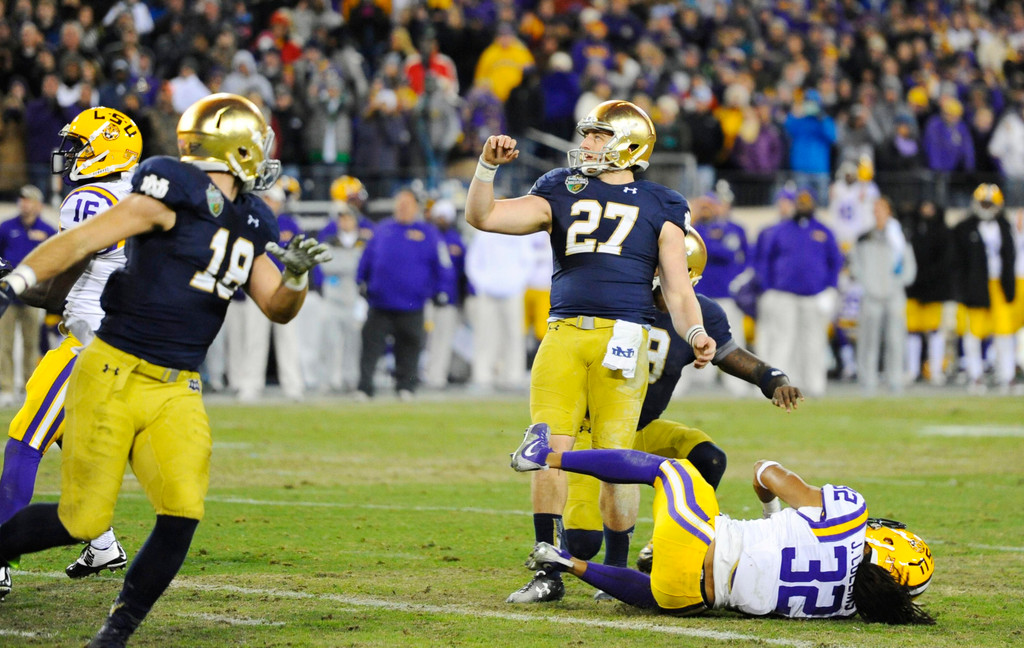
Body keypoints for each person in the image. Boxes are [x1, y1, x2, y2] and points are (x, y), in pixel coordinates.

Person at [0, 93, 330, 647]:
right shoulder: (168, 184)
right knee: (78, 520)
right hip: (112, 370)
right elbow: (82, 239)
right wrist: (15, 283)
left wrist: (296, 278)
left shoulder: (254, 217)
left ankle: (115, 633)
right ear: (239, 148)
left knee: (181, 510)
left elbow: (275, 306)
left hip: (177, 386)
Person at [464, 99, 715, 603]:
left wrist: (695, 333)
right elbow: (485, 216)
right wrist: (487, 167)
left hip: (626, 337)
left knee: (615, 457)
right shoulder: (560, 185)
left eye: (598, 136)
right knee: (545, 450)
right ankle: (546, 571)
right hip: (563, 334)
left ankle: (616, 574)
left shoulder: (663, 202)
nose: (586, 144)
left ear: (627, 143)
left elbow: (677, 286)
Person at [564, 230, 803, 598]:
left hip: (643, 426)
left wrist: (773, 379)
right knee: (582, 541)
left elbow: (731, 356)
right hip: (591, 429)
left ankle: (668, 545)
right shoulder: (615, 299)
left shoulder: (702, 312)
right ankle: (591, 565)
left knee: (708, 459)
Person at [510, 425, 935, 625]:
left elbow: (766, 471)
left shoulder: (850, 514)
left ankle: (542, 457)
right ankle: (567, 563)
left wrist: (775, 515)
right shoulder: (847, 610)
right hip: (690, 595)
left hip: (696, 534)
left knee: (668, 469)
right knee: (664, 598)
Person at [0, 107, 144, 601]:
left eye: (79, 145)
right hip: (122, 346)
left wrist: (10, 279)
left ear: (105, 149)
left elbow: (55, 295)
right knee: (68, 437)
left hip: (88, 344)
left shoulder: (89, 201)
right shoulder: (137, 194)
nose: (70, 154)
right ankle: (101, 543)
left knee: (24, 441)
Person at [356, 188, 452, 400]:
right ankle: (364, 387)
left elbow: (443, 264)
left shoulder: (428, 233)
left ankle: (406, 387)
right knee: (370, 346)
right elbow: (367, 259)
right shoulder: (382, 229)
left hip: (413, 304)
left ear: (416, 208)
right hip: (380, 302)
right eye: (400, 204)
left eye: (407, 204)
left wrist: (442, 290)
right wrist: (360, 281)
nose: (402, 208)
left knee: (410, 347)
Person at [754, 189, 843, 397]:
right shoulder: (781, 230)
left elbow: (836, 262)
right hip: (784, 295)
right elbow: (764, 260)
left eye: (806, 202)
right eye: (800, 203)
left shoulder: (824, 231)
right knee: (782, 342)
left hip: (814, 296)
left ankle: (815, 385)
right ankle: (775, 385)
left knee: (814, 342)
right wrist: (767, 287)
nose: (803, 206)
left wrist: (831, 287)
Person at [952, 183, 1017, 392]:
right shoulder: (965, 228)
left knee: (1004, 334)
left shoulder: (1005, 225)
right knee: (974, 334)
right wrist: (962, 288)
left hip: (999, 285)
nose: (987, 207)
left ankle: (1007, 376)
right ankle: (975, 375)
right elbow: (958, 262)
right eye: (984, 203)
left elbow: (1010, 258)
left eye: (990, 203)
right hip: (976, 286)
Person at [849, 197, 917, 394]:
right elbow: (856, 265)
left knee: (896, 340)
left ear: (889, 211)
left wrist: (897, 283)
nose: (878, 212)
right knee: (868, 341)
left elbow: (909, 266)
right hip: (871, 296)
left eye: (882, 209)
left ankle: (895, 380)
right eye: (875, 209)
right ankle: (867, 381)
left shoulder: (899, 237)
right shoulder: (864, 238)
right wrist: (867, 284)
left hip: (894, 295)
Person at [0, 185, 57, 406]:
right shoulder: (6, 227)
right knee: (4, 343)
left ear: (38, 204)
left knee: (31, 343)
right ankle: (5, 388)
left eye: (29, 200)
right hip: (7, 294)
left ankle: (27, 388)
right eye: (22, 200)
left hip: (34, 295)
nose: (24, 203)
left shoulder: (48, 230)